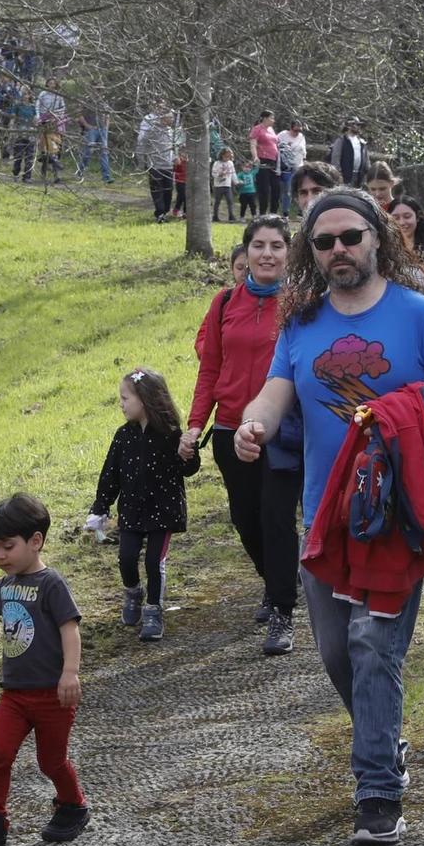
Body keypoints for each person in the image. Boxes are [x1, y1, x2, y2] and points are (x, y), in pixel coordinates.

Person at [234, 188, 424, 846]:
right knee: (340, 651)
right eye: (325, 241)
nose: (339, 249)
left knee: (372, 645)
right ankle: (383, 740)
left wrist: (411, 420)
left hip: (397, 518)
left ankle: (377, 792)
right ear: (312, 253)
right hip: (328, 519)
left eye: (351, 236)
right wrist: (254, 425)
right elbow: (275, 393)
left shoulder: (419, 315)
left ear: (376, 239)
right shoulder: (301, 324)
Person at [185, 214, 300, 655]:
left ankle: (282, 611)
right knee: (245, 520)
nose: (267, 253)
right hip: (230, 428)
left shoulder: (300, 303)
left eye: (276, 245)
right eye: (259, 245)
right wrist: (197, 424)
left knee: (275, 517)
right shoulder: (223, 303)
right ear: (246, 252)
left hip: (281, 429)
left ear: (289, 252)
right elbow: (211, 367)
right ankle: (276, 583)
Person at [0, 494, 89, 846]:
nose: (0, 556)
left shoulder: (51, 584)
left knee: (51, 761)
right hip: (14, 694)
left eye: (7, 547)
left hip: (51, 694)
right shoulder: (7, 585)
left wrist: (70, 673)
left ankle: (73, 804)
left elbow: (69, 628)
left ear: (36, 541)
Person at [88, 367, 201, 642]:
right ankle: (133, 591)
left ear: (145, 399)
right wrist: (100, 507)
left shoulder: (171, 435)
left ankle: (153, 609)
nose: (121, 404)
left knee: (154, 561)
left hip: (163, 513)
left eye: (125, 398)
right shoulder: (123, 436)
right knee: (126, 558)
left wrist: (188, 453)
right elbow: (110, 474)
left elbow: (188, 469)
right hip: (131, 512)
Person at [137, 105, 179, 221]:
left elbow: (174, 146)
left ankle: (165, 211)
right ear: (163, 118)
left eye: (172, 118)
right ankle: (159, 213)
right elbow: (142, 144)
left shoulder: (171, 131)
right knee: (157, 190)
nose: (172, 120)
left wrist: (175, 157)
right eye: (169, 118)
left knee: (168, 190)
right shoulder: (152, 130)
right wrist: (141, 162)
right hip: (154, 165)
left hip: (168, 165)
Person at [249, 110, 280, 213]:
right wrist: (255, 157)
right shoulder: (257, 129)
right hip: (263, 161)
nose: (273, 120)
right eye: (271, 118)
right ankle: (262, 214)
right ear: (265, 118)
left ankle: (273, 214)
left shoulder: (271, 130)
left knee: (276, 189)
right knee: (264, 190)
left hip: (274, 162)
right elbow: (253, 144)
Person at [74, 99, 113, 183]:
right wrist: (87, 126)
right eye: (97, 88)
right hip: (91, 130)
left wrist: (106, 128)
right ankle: (80, 171)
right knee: (88, 151)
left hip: (102, 130)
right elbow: (79, 115)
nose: (99, 91)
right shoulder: (86, 101)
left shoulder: (104, 102)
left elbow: (107, 115)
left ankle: (106, 177)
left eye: (100, 89)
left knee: (104, 152)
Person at [273, 117, 307, 214]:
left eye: (299, 130)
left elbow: (303, 151)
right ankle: (285, 212)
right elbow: (274, 144)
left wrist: (304, 163)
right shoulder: (283, 135)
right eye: (295, 130)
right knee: (287, 191)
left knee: (299, 189)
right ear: (291, 128)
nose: (296, 133)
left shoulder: (301, 137)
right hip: (286, 167)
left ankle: (301, 211)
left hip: (298, 166)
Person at [327, 117, 371, 187]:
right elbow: (335, 160)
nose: (358, 127)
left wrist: (367, 176)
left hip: (359, 178)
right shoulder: (341, 141)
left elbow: (367, 162)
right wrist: (338, 176)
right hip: (345, 178)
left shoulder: (362, 142)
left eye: (358, 125)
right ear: (349, 126)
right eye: (355, 125)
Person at [211, 146, 239, 223]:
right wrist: (219, 175)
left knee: (230, 200)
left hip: (227, 185)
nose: (227, 158)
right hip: (218, 185)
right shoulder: (217, 163)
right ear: (222, 155)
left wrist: (236, 182)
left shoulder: (230, 163)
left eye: (229, 156)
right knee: (217, 201)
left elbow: (233, 173)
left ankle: (231, 216)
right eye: (226, 156)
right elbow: (213, 173)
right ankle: (215, 216)